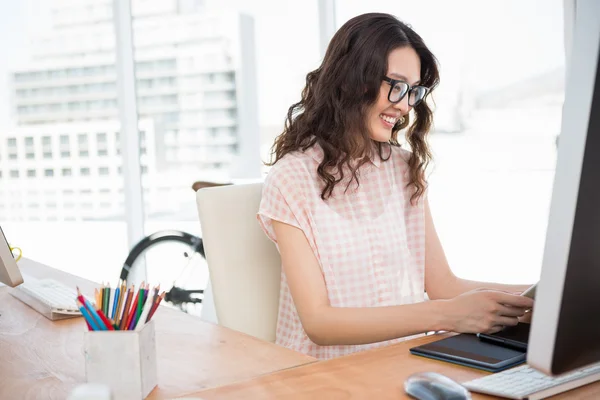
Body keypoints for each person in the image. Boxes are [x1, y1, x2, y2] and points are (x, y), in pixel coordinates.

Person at [257, 12, 534, 360]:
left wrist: (547, 297)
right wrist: (449, 315)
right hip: (321, 375)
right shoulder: (292, 178)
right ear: (353, 79)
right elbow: (319, 322)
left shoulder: (403, 168)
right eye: (396, 85)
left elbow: (443, 287)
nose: (404, 106)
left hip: (400, 361)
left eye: (413, 91)